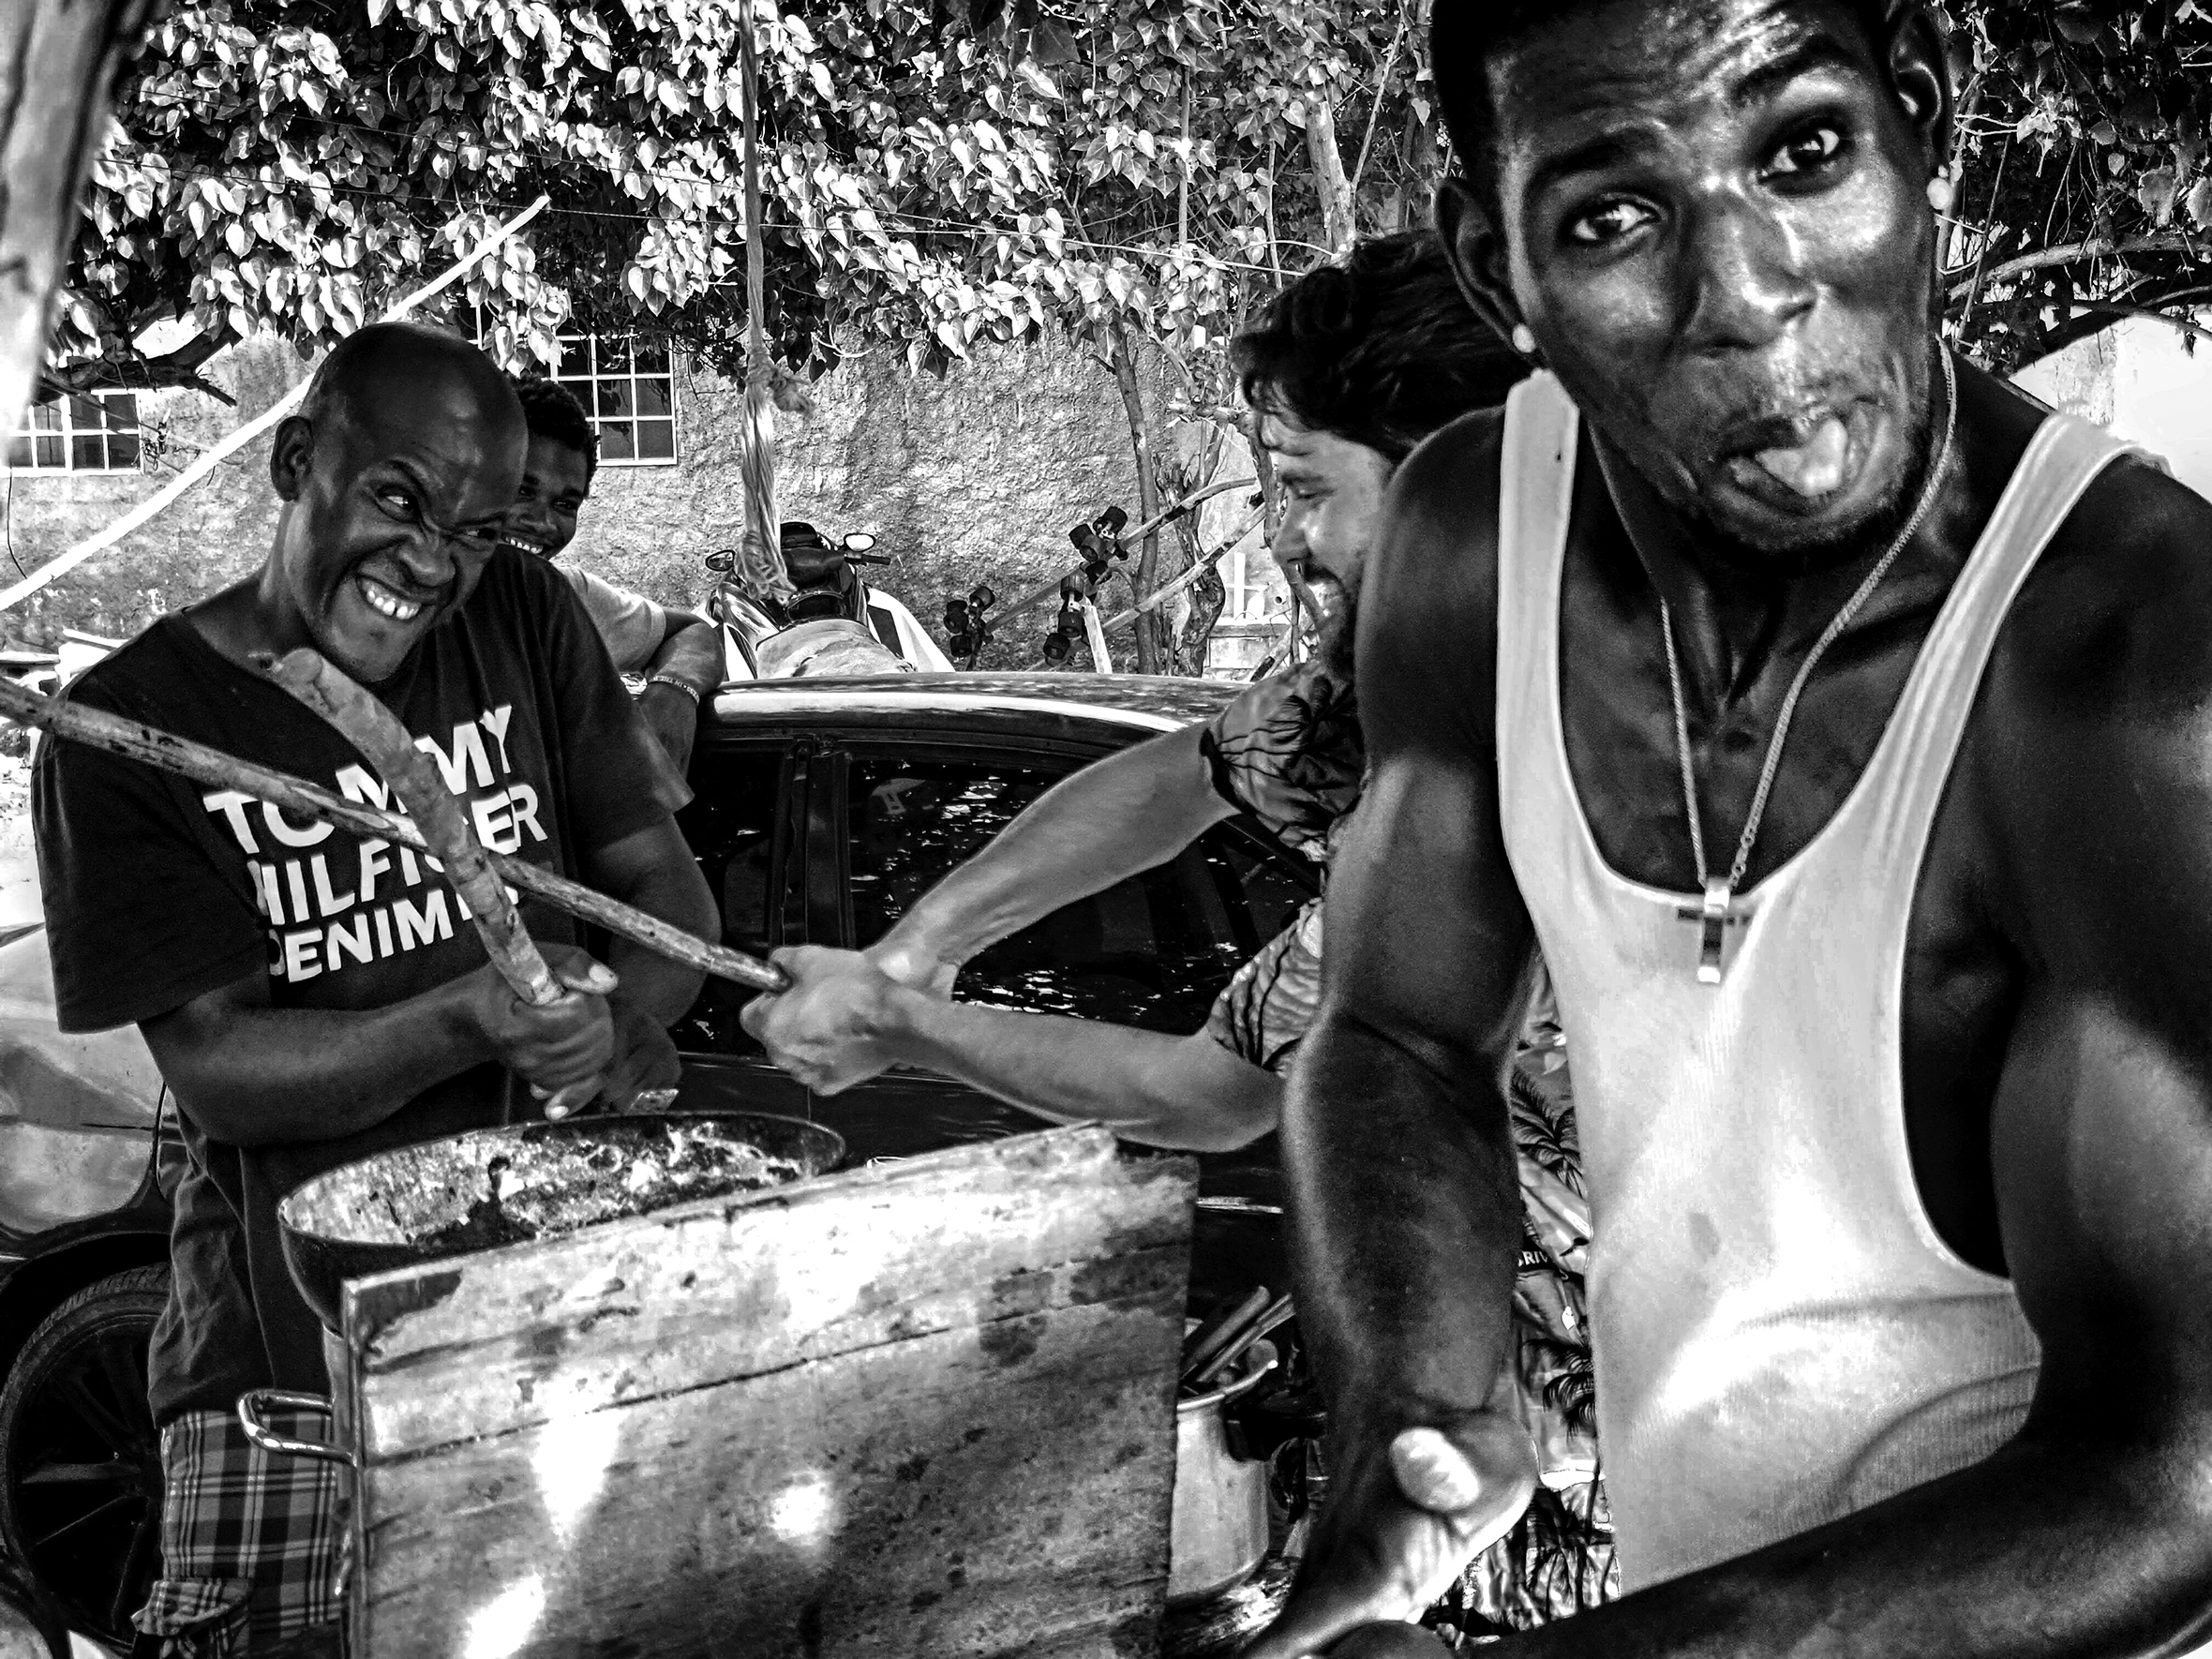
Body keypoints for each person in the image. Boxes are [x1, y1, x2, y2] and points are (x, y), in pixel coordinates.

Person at [1243, 3, 2212, 1656]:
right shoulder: (1479, 533)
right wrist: (1413, 1426)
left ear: (1921, 125)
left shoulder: (2135, 670)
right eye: (1614, 218)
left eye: (1804, 151)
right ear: (1501, 276)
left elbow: (2178, 1470)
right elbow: (1400, 1039)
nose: (1751, 299)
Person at [740, 235, 1603, 1636]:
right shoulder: (1399, 684)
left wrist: (904, 1022)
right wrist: (924, 939)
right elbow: (1186, 774)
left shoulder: (1532, 779)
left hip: (1664, 1499)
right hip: (1499, 1469)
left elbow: (1204, 1095)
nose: (1278, 537)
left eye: (1306, 488)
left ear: (1468, 478)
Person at [32, 322, 716, 1656]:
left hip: (551, 1347)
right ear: (300, 460)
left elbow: (665, 899)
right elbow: (220, 1071)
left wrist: (629, 1020)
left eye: (474, 528)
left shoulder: (524, 615)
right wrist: (468, 1016)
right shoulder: (138, 729)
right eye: (399, 501)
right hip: (285, 1385)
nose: (433, 565)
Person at [502, 375, 724, 773]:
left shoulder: (569, 600)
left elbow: (692, 632)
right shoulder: (405, 610)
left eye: (565, 504)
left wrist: (672, 692)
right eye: (521, 491)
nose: (542, 522)